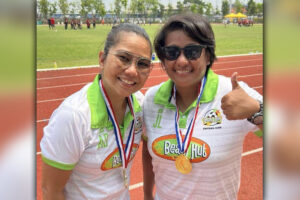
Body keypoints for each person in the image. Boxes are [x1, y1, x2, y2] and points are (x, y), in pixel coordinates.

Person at [142, 13, 263, 200]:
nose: (181, 61)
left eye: (192, 51)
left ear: (208, 56)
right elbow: (148, 152)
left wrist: (257, 110)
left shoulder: (232, 92)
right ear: (163, 59)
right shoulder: (151, 99)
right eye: (172, 52)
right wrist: (147, 195)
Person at [41, 23, 153, 200]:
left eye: (143, 64)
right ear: (102, 59)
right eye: (123, 58)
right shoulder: (74, 116)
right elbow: (50, 191)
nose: (132, 70)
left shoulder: (140, 104)